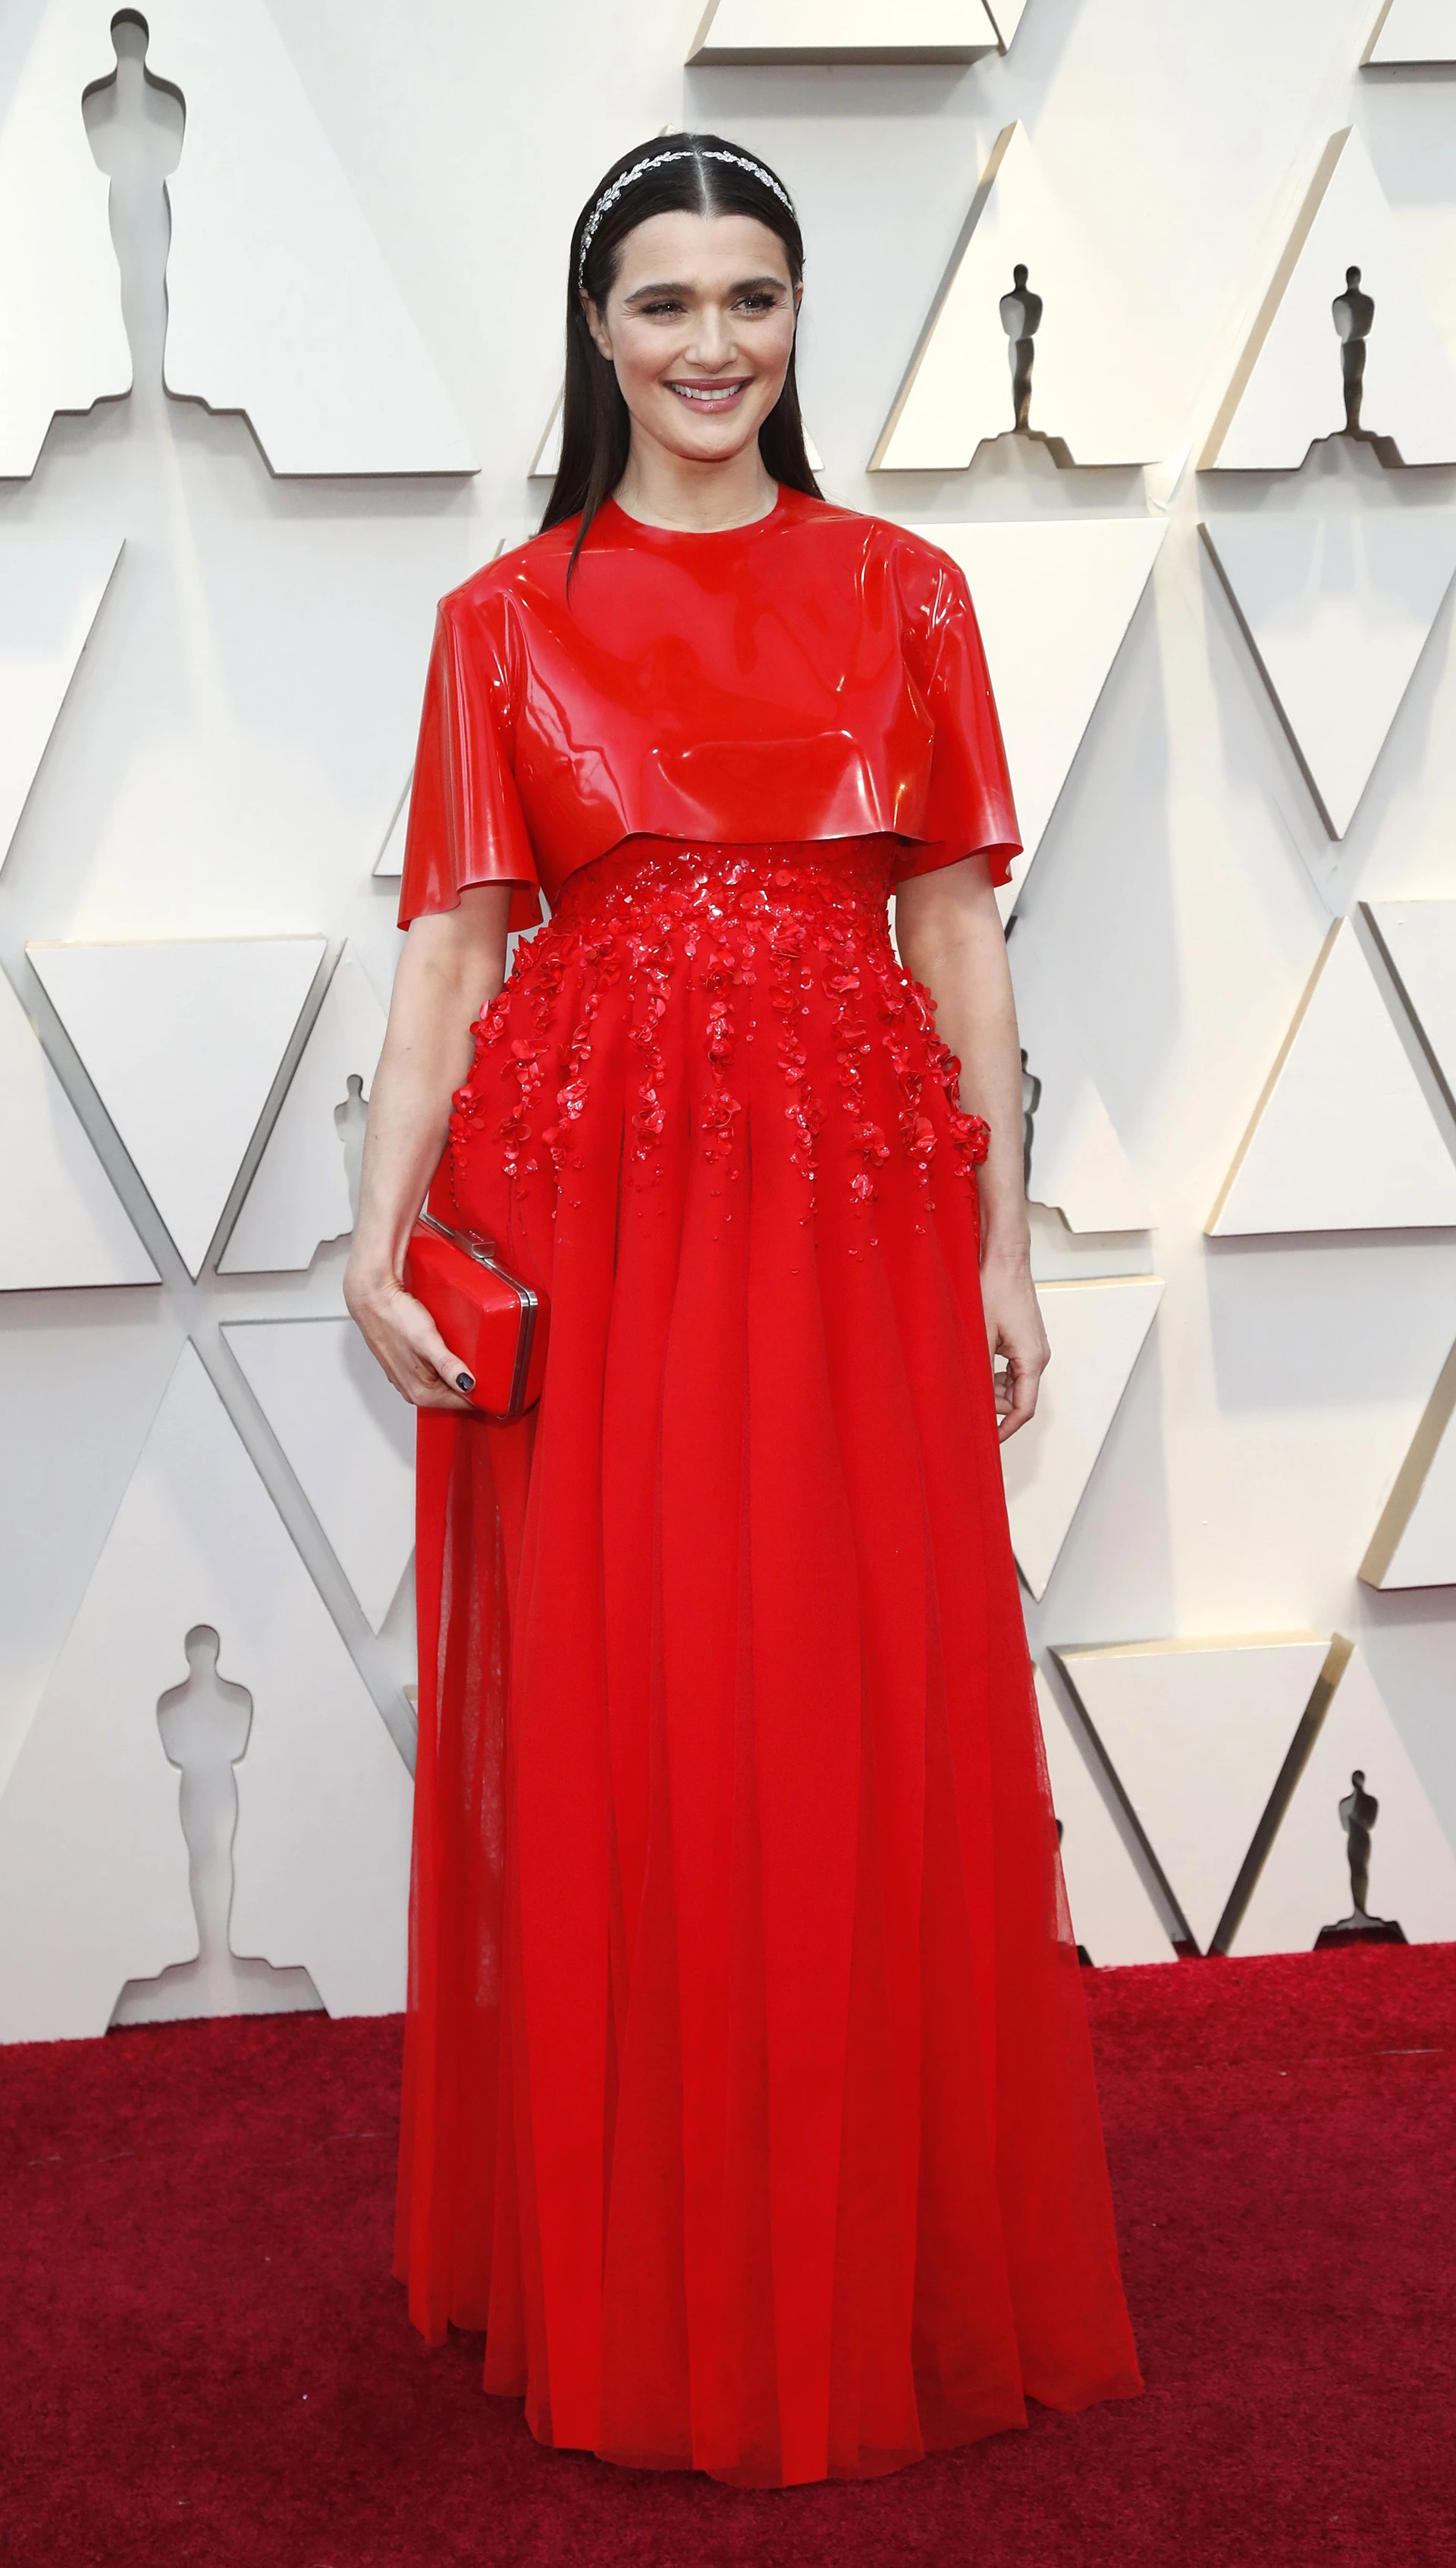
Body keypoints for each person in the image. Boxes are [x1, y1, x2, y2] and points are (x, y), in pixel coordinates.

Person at [344, 129, 1141, 2488]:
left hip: (852, 1200)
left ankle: (854, 2249)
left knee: (852, 1691)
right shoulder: (508, 613)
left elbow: (967, 938)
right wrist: (377, 1231)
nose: (712, 346)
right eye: (667, 302)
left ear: (802, 324)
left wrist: (1003, 1245)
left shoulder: (905, 592)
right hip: (594, 1196)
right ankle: (646, 2249)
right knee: (638, 1696)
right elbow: (449, 951)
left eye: (755, 300)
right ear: (598, 329)